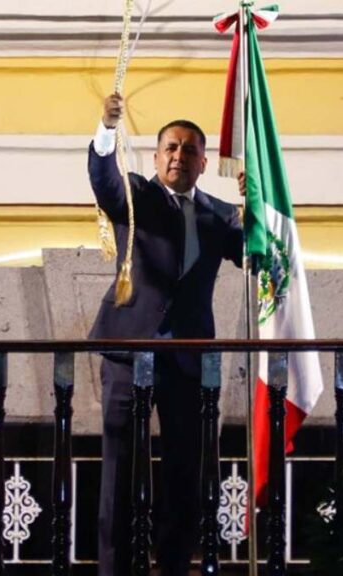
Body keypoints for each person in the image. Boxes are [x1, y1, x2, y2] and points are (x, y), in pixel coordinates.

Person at [89, 94, 244, 576]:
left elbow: (256, 252)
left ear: (203, 161)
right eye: (170, 148)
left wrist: (259, 201)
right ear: (157, 157)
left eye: (190, 150)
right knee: (120, 467)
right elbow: (104, 180)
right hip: (127, 351)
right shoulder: (136, 195)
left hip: (188, 358)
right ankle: (115, 570)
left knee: (186, 470)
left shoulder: (220, 215)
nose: (179, 156)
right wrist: (106, 130)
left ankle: (174, 566)